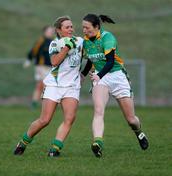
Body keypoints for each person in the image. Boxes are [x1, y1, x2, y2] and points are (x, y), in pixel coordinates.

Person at [81, 14, 149, 158]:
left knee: (131, 120)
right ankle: (98, 143)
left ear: (97, 27)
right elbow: (90, 60)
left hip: (117, 76)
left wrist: (99, 75)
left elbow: (110, 61)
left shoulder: (107, 38)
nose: (84, 30)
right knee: (98, 110)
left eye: (87, 27)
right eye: (83, 27)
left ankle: (139, 132)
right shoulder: (86, 41)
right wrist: (82, 75)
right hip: (100, 77)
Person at [14, 16, 83, 157]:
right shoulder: (54, 44)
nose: (71, 29)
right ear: (59, 30)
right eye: (67, 27)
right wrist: (66, 48)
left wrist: (85, 73)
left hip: (72, 86)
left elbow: (91, 58)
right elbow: (54, 62)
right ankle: (23, 142)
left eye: (71, 26)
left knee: (69, 119)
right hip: (54, 85)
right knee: (45, 120)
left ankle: (54, 149)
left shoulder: (80, 41)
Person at [23, 25, 55, 108]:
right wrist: (29, 59)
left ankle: (37, 103)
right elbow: (34, 50)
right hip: (41, 66)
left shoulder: (54, 41)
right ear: (45, 32)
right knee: (45, 85)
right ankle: (45, 104)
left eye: (52, 31)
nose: (51, 32)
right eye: (49, 31)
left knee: (41, 85)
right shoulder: (41, 40)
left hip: (50, 67)